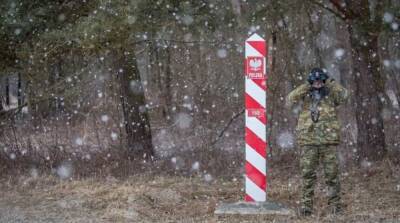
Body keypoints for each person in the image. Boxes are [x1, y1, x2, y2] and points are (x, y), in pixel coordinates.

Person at [286, 68, 349, 216]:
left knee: (332, 175)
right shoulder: (306, 94)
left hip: (328, 141)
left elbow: (345, 96)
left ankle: (335, 208)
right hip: (309, 140)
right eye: (315, 81)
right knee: (308, 175)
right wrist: (307, 85)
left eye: (320, 80)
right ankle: (306, 208)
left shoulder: (331, 93)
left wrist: (330, 82)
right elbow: (290, 99)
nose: (318, 83)